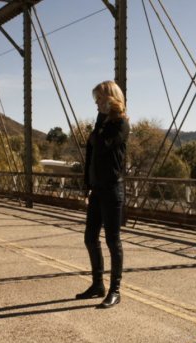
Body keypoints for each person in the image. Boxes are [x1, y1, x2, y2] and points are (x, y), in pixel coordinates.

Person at [75, 80, 130, 309]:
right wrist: (87, 184)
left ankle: (115, 290)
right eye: (95, 100)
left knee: (112, 240)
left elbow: (104, 145)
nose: (96, 103)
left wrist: (101, 121)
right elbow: (91, 156)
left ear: (109, 99)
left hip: (112, 190)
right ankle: (97, 284)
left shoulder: (120, 125)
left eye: (99, 99)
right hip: (97, 190)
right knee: (90, 238)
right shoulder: (102, 124)